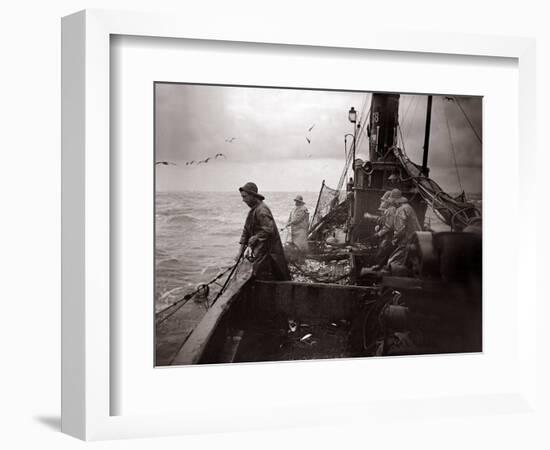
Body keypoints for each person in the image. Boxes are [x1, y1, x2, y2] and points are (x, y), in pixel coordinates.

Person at [237, 182, 291, 281]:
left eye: (245, 197)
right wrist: (240, 251)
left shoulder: (262, 210)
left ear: (253, 196)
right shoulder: (253, 210)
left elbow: (269, 230)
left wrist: (255, 237)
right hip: (260, 251)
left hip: (270, 252)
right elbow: (246, 231)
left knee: (275, 275)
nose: (243, 200)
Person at [386, 188, 422, 268]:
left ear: (395, 201)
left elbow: (400, 230)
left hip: (407, 242)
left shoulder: (400, 210)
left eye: (391, 201)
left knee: (391, 262)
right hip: (417, 239)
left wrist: (394, 240)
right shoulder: (408, 207)